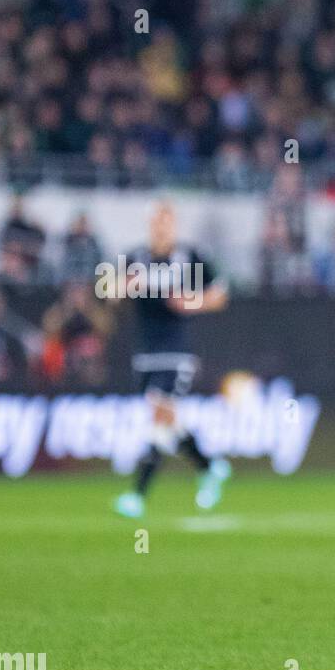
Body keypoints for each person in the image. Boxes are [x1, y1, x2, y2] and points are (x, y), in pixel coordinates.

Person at [107, 202, 231, 517]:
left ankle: (138, 496)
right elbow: (106, 291)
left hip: (176, 352)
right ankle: (208, 466)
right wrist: (123, 286)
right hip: (146, 354)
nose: (162, 228)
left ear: (175, 225)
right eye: (157, 222)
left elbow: (220, 295)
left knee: (160, 421)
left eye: (167, 222)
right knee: (169, 421)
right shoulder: (135, 258)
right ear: (150, 225)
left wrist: (193, 303)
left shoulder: (190, 257)